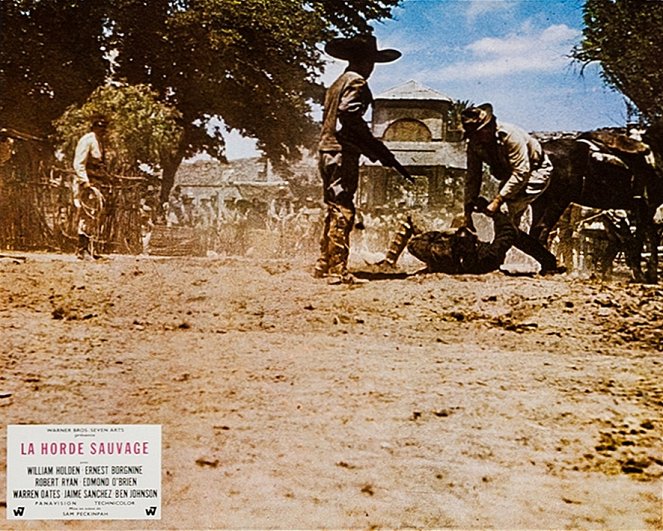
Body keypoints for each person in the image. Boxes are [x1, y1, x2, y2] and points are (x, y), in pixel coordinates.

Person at [315, 33, 413, 285]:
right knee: (344, 208)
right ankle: (337, 270)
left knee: (333, 206)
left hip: (326, 150)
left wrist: (372, 150)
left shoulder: (336, 83)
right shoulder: (357, 83)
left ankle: (323, 263)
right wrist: (373, 147)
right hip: (342, 152)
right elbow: (349, 117)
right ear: (366, 62)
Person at [461, 103, 563, 274]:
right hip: (511, 176)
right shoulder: (475, 144)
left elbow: (522, 172)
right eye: (475, 134)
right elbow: (473, 176)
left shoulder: (510, 136)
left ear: (492, 124)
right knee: (508, 227)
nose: (480, 136)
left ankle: (494, 260)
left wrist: (498, 200)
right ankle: (548, 260)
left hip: (535, 172)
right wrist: (467, 208)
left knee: (506, 220)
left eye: (482, 131)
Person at [73, 115, 109, 259]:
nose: (102, 130)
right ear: (93, 127)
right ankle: (82, 249)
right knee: (86, 214)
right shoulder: (87, 140)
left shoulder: (100, 142)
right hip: (87, 182)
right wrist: (84, 181)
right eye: (99, 127)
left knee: (94, 215)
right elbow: (79, 163)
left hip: (96, 180)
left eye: (104, 127)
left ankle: (90, 248)